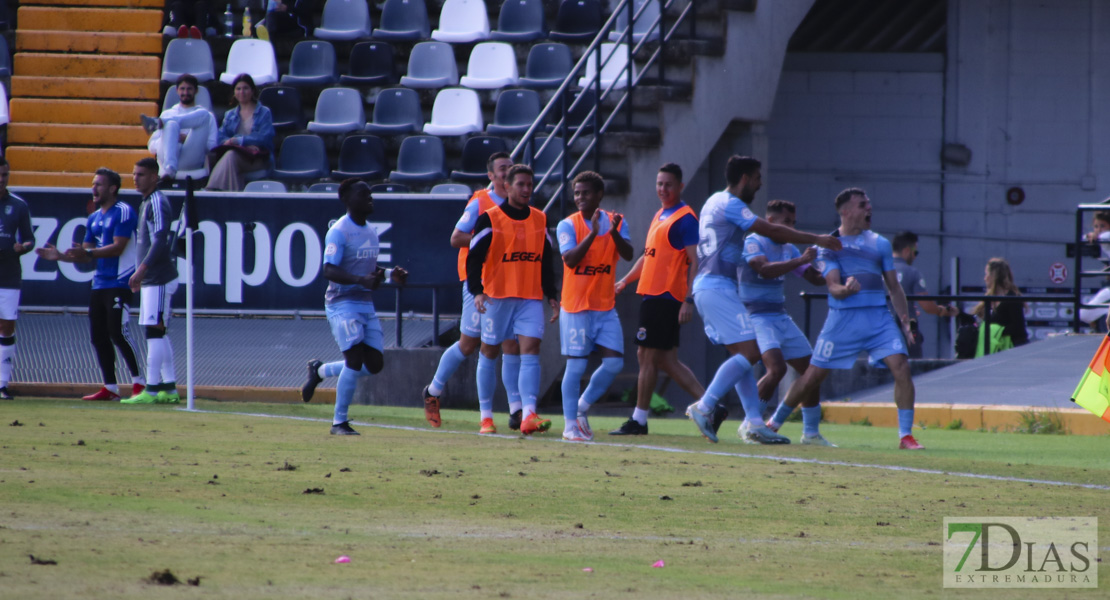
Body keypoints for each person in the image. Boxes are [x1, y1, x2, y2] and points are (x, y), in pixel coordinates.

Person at [683, 156, 840, 445]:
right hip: (717, 286)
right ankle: (704, 406)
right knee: (752, 352)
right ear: (744, 178)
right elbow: (770, 231)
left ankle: (756, 423)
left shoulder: (712, 201)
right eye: (757, 178)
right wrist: (815, 238)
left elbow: (801, 262)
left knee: (744, 355)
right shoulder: (731, 204)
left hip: (715, 286)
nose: (760, 184)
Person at [778, 187, 923, 450]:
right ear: (845, 212)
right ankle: (773, 425)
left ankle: (906, 436)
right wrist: (845, 290)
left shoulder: (880, 243)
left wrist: (905, 321)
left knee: (901, 367)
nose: (869, 208)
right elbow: (832, 286)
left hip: (878, 318)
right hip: (843, 319)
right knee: (812, 376)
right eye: (862, 205)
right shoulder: (830, 245)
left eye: (868, 203)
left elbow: (894, 288)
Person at [419, 152, 520, 430]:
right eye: (502, 168)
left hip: (509, 282)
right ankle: (433, 391)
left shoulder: (518, 200)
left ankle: (516, 410)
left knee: (511, 342)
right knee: (470, 344)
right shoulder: (480, 202)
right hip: (480, 282)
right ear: (491, 176)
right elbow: (456, 237)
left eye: (510, 167)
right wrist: (490, 240)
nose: (507, 172)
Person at [609, 163, 705, 436]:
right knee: (664, 360)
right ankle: (710, 405)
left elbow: (694, 261)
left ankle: (639, 420)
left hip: (666, 297)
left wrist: (688, 299)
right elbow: (647, 256)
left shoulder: (685, 218)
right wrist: (625, 280)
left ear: (680, 187)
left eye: (669, 184)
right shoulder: (661, 214)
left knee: (647, 356)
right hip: (652, 294)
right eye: (659, 184)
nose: (663, 189)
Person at [35, 168, 146, 401]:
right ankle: (111, 388)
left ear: (113, 188)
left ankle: (139, 384)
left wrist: (87, 252)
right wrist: (61, 257)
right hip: (100, 284)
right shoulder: (94, 217)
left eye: (99, 185)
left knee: (119, 332)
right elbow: (86, 256)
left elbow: (118, 247)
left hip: (120, 282)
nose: (94, 189)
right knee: (98, 336)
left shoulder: (124, 212)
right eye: (93, 184)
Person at [467, 164, 560, 435]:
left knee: (530, 349)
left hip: (529, 297)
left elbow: (546, 261)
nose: (526, 190)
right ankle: (486, 417)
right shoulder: (490, 218)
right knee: (490, 351)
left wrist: (551, 295)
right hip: (497, 297)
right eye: (520, 184)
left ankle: (529, 414)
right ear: (506, 187)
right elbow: (474, 257)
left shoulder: (540, 219)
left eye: (530, 185)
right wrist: (477, 290)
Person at [318, 179, 408, 435]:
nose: (370, 198)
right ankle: (339, 422)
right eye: (363, 194)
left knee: (375, 364)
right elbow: (328, 269)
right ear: (346, 199)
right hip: (341, 302)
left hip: (364, 303)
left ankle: (321, 370)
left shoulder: (370, 231)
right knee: (354, 359)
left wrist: (391, 275)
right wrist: (360, 281)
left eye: (371, 194)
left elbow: (370, 271)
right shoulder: (339, 231)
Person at [737, 200, 829, 440]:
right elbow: (764, 269)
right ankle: (751, 423)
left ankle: (810, 433)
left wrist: (832, 268)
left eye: (793, 223)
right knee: (776, 369)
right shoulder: (754, 240)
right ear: (770, 222)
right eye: (786, 222)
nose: (791, 228)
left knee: (812, 371)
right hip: (756, 316)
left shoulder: (789, 248)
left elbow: (813, 278)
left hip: (779, 315)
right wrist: (800, 260)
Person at [557, 171, 633, 442]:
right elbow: (570, 261)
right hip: (576, 308)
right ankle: (569, 427)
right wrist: (593, 234)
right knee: (576, 368)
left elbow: (628, 254)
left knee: (614, 363)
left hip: (604, 307)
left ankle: (580, 408)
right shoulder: (567, 225)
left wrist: (612, 233)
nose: (580, 197)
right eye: (576, 193)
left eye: (585, 192)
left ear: (599, 195)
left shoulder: (617, 221)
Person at [122, 158, 182, 405]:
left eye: (142, 174)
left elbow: (160, 240)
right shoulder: (148, 201)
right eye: (134, 174)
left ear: (155, 176)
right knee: (159, 332)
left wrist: (142, 269)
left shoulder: (156, 201)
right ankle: (169, 387)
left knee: (153, 332)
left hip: (157, 278)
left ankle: (152, 389)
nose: (136, 178)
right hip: (153, 279)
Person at [140, 74, 218, 183]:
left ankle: (161, 123)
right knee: (171, 124)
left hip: (191, 158)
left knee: (204, 115)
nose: (185, 92)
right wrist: (170, 138)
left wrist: (188, 139)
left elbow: (212, 146)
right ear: (177, 90)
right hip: (168, 159)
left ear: (196, 91)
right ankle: (170, 169)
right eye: (182, 89)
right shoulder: (167, 113)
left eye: (189, 89)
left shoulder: (206, 115)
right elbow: (152, 146)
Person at [891, 231, 957, 358]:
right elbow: (927, 305)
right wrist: (942, 310)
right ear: (906, 251)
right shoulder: (912, 273)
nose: (915, 256)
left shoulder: (879, 271)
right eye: (915, 252)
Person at [0, 157, 35, 400]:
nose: (2, 180)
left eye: (5, 175)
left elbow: (30, 239)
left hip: (9, 275)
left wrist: (23, 247)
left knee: (6, 326)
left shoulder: (18, 205)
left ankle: (2, 384)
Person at [205, 74, 274, 192]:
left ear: (252, 91)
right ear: (234, 92)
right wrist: (231, 142)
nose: (242, 92)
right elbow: (221, 137)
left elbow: (265, 138)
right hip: (237, 156)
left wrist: (239, 141)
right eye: (238, 89)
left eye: (245, 88)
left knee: (231, 156)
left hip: (257, 157)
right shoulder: (230, 115)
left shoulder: (264, 112)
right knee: (230, 157)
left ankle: (211, 190)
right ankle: (235, 195)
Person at [970, 257, 1029, 352]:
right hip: (995, 351)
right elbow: (978, 321)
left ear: (994, 276)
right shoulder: (990, 298)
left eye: (986, 274)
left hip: (1011, 351)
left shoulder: (1012, 299)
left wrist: (995, 331)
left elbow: (1019, 328)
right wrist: (958, 313)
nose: (985, 278)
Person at [1078, 211, 1110, 327]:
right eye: (1096, 226)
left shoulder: (1105, 238)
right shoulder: (1103, 241)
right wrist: (1090, 236)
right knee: (1084, 314)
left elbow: (1106, 236)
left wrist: (1096, 236)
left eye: (1103, 226)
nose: (1099, 229)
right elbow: (1083, 238)